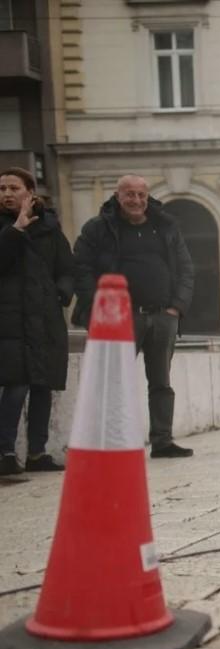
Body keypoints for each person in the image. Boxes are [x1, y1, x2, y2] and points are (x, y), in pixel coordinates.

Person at [73, 174, 194, 458]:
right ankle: (115, 440)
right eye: (129, 194)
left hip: (162, 316)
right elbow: (81, 269)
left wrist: (176, 307)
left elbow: (186, 268)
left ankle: (162, 440)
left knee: (161, 383)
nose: (136, 200)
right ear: (118, 196)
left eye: (141, 194)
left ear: (147, 196)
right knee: (113, 382)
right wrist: (100, 310)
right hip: (118, 320)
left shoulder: (165, 226)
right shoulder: (97, 229)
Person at [0, 168, 74, 476]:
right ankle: (4, 452)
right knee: (16, 384)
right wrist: (16, 228)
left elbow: (67, 266)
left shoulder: (50, 226)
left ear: (30, 192)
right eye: (2, 188)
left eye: (13, 188)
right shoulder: (6, 227)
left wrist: (61, 292)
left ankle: (37, 452)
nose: (6, 194)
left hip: (44, 316)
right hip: (10, 318)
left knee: (43, 384)